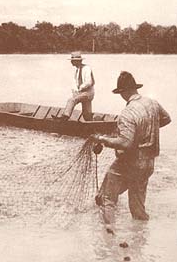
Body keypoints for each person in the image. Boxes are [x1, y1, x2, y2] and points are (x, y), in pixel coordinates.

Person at [91, 71, 171, 229]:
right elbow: (166, 118)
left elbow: (125, 143)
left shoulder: (127, 113)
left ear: (123, 92)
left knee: (106, 198)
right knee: (137, 206)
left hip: (129, 163)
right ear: (135, 88)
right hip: (148, 163)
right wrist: (148, 130)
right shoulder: (152, 103)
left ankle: (109, 238)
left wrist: (102, 139)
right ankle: (139, 241)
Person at [53, 51, 95, 121]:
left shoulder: (86, 68)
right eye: (72, 60)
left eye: (73, 61)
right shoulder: (77, 70)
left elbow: (89, 82)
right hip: (82, 93)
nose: (71, 62)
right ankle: (91, 123)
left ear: (78, 61)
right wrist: (75, 91)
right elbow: (75, 83)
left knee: (71, 100)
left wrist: (80, 89)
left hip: (88, 93)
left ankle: (65, 117)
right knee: (86, 115)